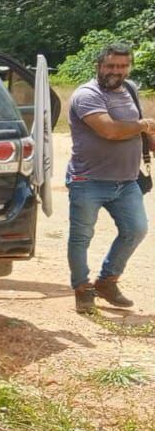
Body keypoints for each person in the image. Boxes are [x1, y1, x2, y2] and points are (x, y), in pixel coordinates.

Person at [65, 42, 154, 314]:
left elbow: (140, 132)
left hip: (126, 180)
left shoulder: (130, 90)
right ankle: (82, 290)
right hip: (88, 180)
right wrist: (144, 124)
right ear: (99, 66)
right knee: (82, 237)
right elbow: (110, 131)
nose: (117, 71)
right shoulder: (86, 95)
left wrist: (147, 136)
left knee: (136, 230)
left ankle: (107, 281)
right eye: (111, 65)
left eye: (123, 66)